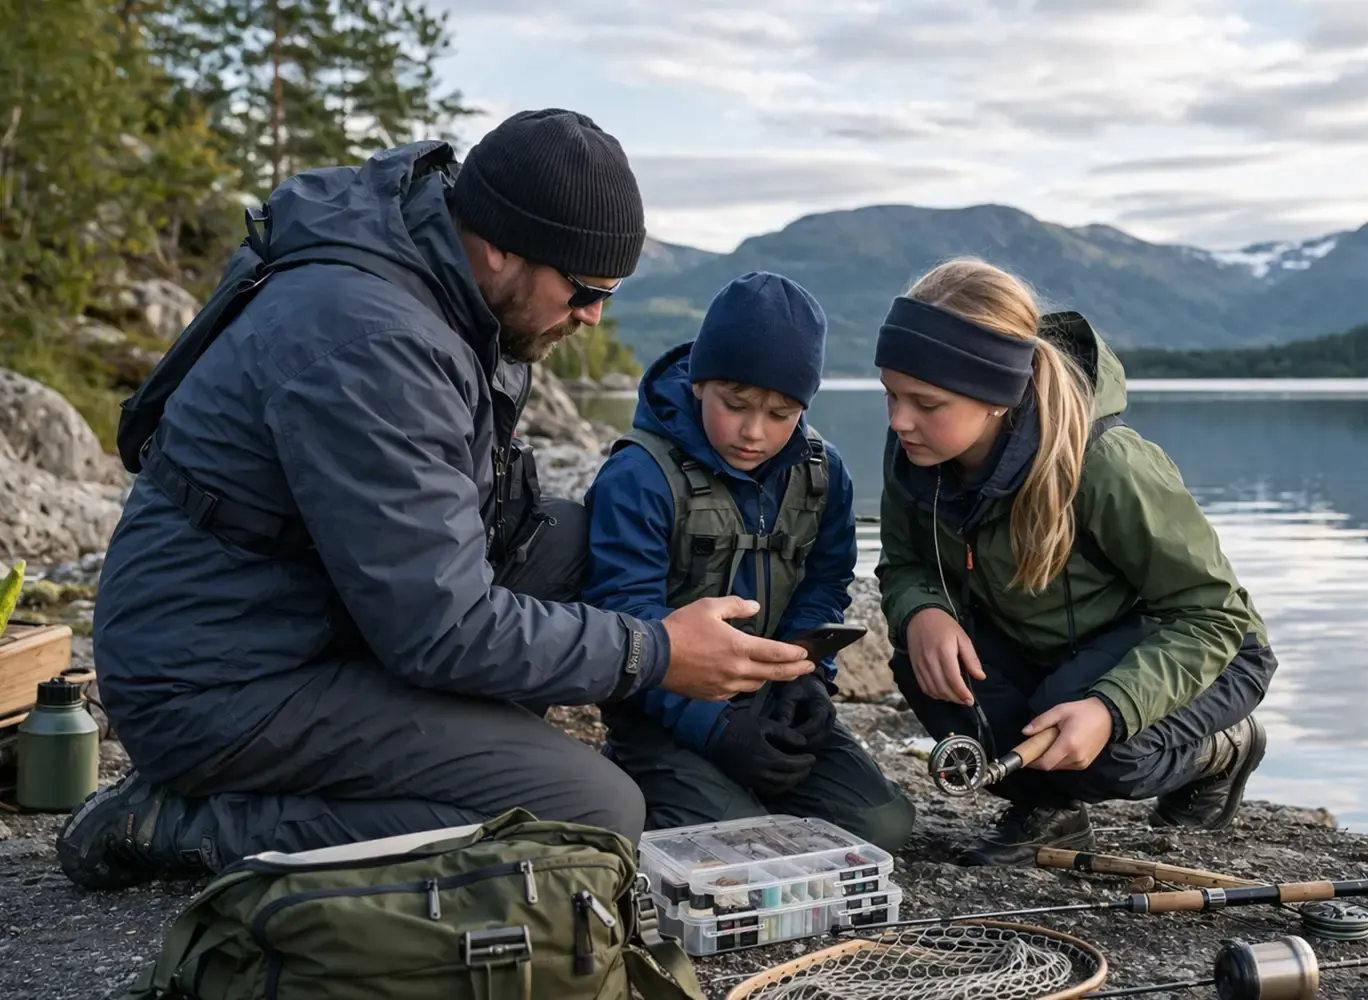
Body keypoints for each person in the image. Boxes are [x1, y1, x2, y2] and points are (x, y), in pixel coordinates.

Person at [56, 110, 817, 892]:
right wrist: (653, 652)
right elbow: (439, 628)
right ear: (500, 246)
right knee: (588, 813)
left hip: (310, 615)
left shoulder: (444, 280)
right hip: (214, 683)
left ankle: (475, 763)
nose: (593, 316)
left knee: (581, 544)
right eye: (584, 290)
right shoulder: (371, 340)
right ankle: (185, 825)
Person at [872, 258, 1277, 867]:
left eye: (925, 402)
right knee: (927, 666)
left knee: (1105, 745)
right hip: (1048, 652)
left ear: (996, 397)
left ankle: (1224, 749)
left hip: (1208, 654)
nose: (899, 420)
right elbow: (904, 563)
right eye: (890, 395)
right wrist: (924, 610)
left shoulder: (1105, 465)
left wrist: (1110, 707)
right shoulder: (917, 451)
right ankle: (1050, 812)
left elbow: (1211, 616)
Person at [582, 272, 916, 851]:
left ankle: (738, 784)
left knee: (883, 828)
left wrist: (808, 681)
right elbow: (624, 620)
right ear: (698, 385)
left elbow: (826, 582)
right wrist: (716, 731)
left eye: (782, 413)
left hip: (768, 700)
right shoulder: (638, 476)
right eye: (734, 405)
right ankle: (634, 773)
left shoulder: (823, 474)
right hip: (663, 709)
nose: (754, 432)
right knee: (737, 842)